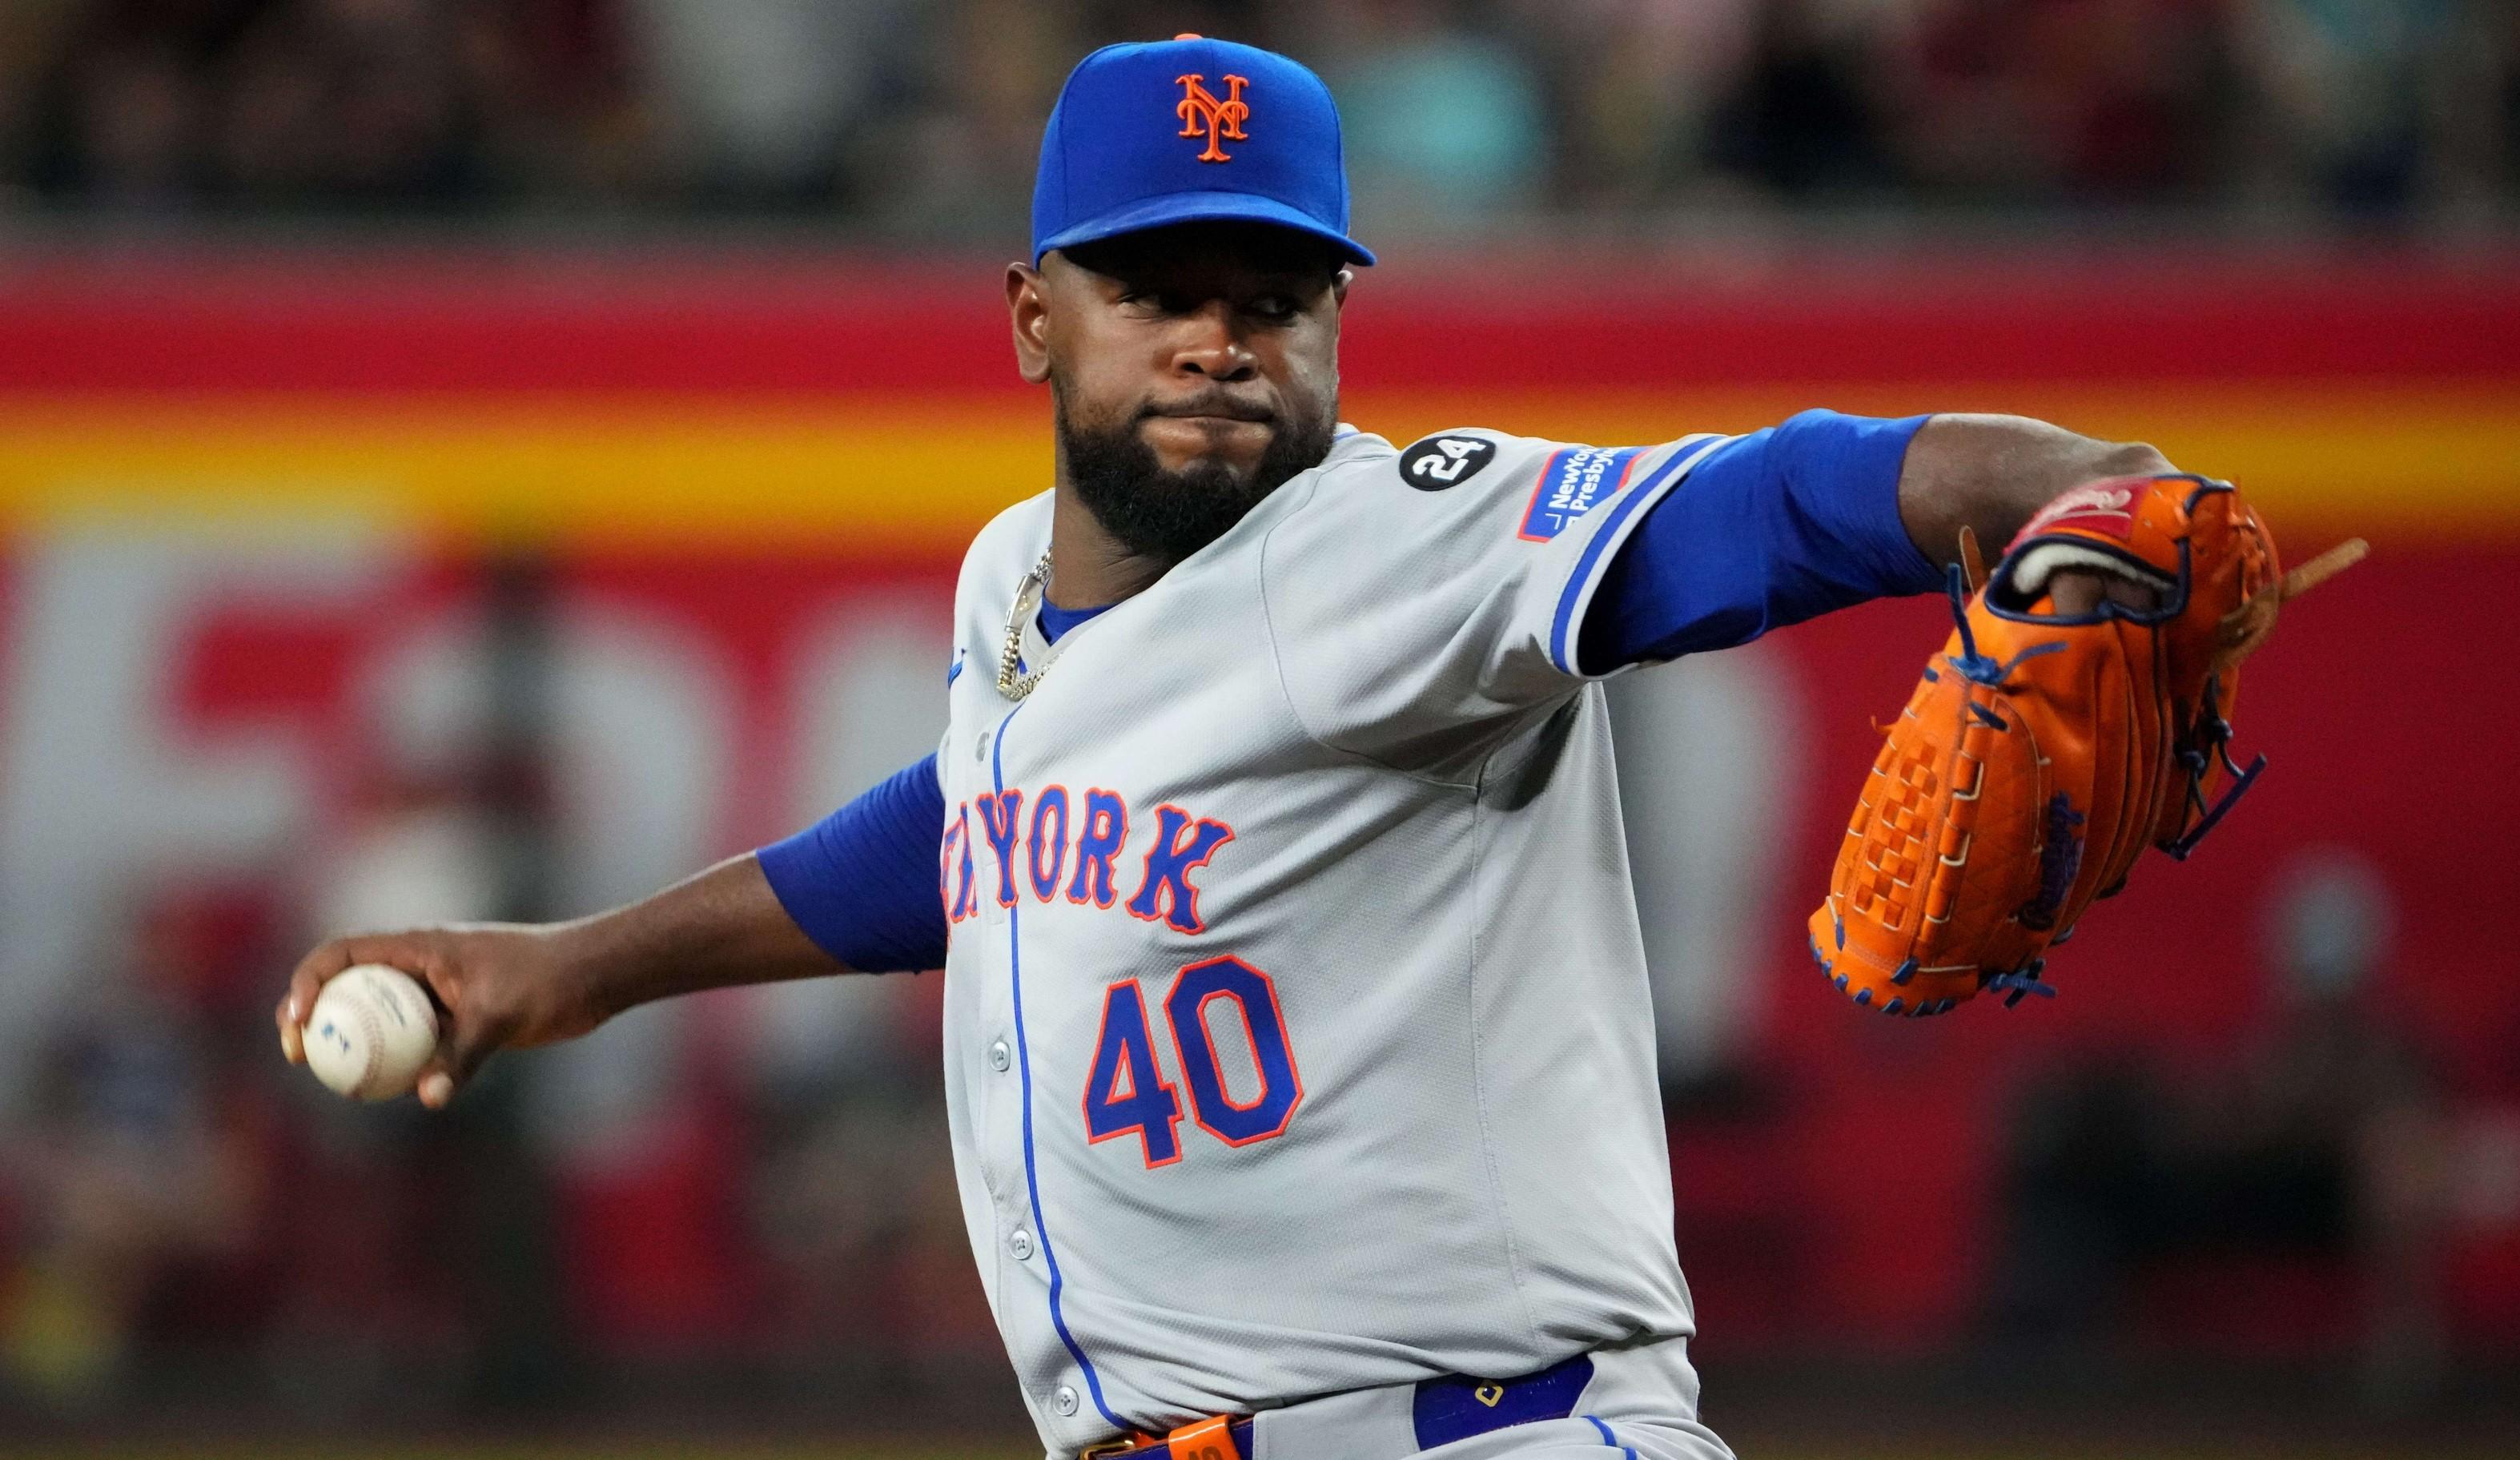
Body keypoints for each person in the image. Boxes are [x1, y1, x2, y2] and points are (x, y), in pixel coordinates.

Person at [277, 35, 2171, 1460]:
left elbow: (1763, 505)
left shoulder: (1404, 542)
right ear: (1034, 319)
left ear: (1340, 322)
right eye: (1157, 290)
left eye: (1271, 298)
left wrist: (2073, 492)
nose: (1218, 340)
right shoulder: (1014, 578)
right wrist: (576, 973)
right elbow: (976, 823)